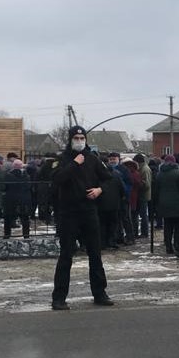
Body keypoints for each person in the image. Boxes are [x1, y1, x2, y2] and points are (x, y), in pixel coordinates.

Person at [50, 125, 114, 310]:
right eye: (76, 138)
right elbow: (57, 178)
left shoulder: (93, 159)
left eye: (82, 138)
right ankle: (59, 297)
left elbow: (109, 179)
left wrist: (99, 190)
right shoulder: (62, 159)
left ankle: (100, 293)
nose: (79, 141)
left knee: (95, 254)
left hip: (89, 211)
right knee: (66, 255)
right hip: (68, 212)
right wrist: (74, 163)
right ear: (70, 140)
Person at [153, 154, 179, 254]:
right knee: (178, 226)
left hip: (163, 204)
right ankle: (177, 244)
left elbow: (156, 191)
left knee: (167, 226)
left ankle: (168, 246)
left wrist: (156, 204)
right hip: (177, 204)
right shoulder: (178, 173)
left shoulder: (160, 174)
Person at [2, 159, 31, 239]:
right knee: (25, 218)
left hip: (11, 200)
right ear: (21, 166)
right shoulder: (26, 176)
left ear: (13, 166)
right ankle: (26, 236)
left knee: (8, 218)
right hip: (23, 200)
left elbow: (4, 187)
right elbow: (28, 187)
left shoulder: (8, 175)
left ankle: (7, 235)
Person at [133, 153, 151, 238]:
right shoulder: (142, 168)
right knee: (140, 214)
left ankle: (144, 233)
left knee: (143, 215)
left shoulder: (144, 169)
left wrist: (137, 183)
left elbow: (146, 184)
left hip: (143, 195)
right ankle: (139, 232)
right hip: (141, 195)